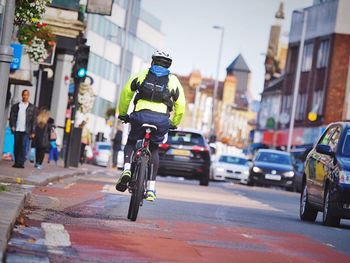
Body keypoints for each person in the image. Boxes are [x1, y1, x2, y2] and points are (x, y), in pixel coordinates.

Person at [116, 50, 186, 201]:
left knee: (131, 142)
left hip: (139, 116)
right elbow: (181, 105)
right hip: (161, 120)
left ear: (153, 62)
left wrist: (123, 114)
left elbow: (126, 93)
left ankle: (127, 169)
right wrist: (174, 123)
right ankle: (151, 189)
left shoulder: (141, 74)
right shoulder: (173, 81)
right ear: (169, 65)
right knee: (154, 149)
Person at [9, 89, 36, 168]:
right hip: (17, 129)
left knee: (24, 146)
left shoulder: (32, 107)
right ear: (22, 95)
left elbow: (34, 121)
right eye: (24, 95)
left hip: (26, 130)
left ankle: (21, 162)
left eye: (27, 95)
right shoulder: (16, 106)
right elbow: (12, 117)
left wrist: (33, 131)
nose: (25, 96)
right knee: (16, 146)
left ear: (28, 96)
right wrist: (13, 126)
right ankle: (16, 162)